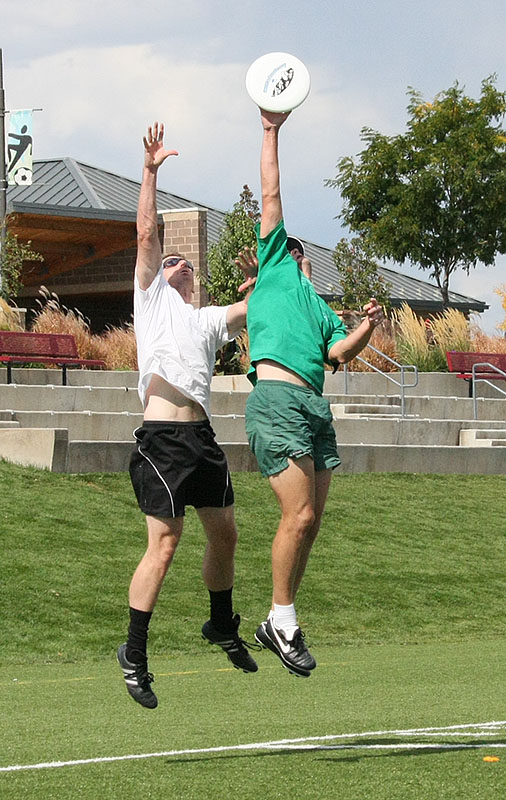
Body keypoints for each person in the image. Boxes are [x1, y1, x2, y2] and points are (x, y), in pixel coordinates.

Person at [117, 121, 259, 709]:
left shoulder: (203, 319)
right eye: (169, 260)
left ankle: (221, 623)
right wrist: (150, 170)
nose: (177, 264)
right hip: (161, 440)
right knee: (166, 543)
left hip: (202, 439)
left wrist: (267, 271)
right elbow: (147, 231)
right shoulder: (150, 302)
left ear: (196, 282)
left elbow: (256, 305)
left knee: (224, 532)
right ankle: (134, 651)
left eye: (186, 263)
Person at [244, 109, 384, 678]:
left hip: (314, 406)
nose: (291, 250)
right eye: (286, 247)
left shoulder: (321, 306)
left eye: (296, 250)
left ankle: (279, 618)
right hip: (277, 400)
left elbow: (339, 354)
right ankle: (282, 618)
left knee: (312, 521)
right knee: (297, 516)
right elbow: (271, 194)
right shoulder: (274, 268)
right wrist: (271, 130)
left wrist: (367, 325)